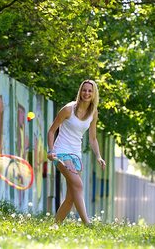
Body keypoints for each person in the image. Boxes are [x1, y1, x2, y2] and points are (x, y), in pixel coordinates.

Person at [47, 79, 106, 225]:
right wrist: (51, 151)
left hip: (76, 155)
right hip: (61, 153)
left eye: (90, 91)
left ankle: (55, 225)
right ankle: (87, 223)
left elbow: (92, 138)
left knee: (71, 197)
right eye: (84, 90)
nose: (86, 93)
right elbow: (51, 131)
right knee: (78, 185)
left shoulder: (93, 113)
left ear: (94, 94)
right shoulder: (68, 109)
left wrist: (98, 156)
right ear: (80, 91)